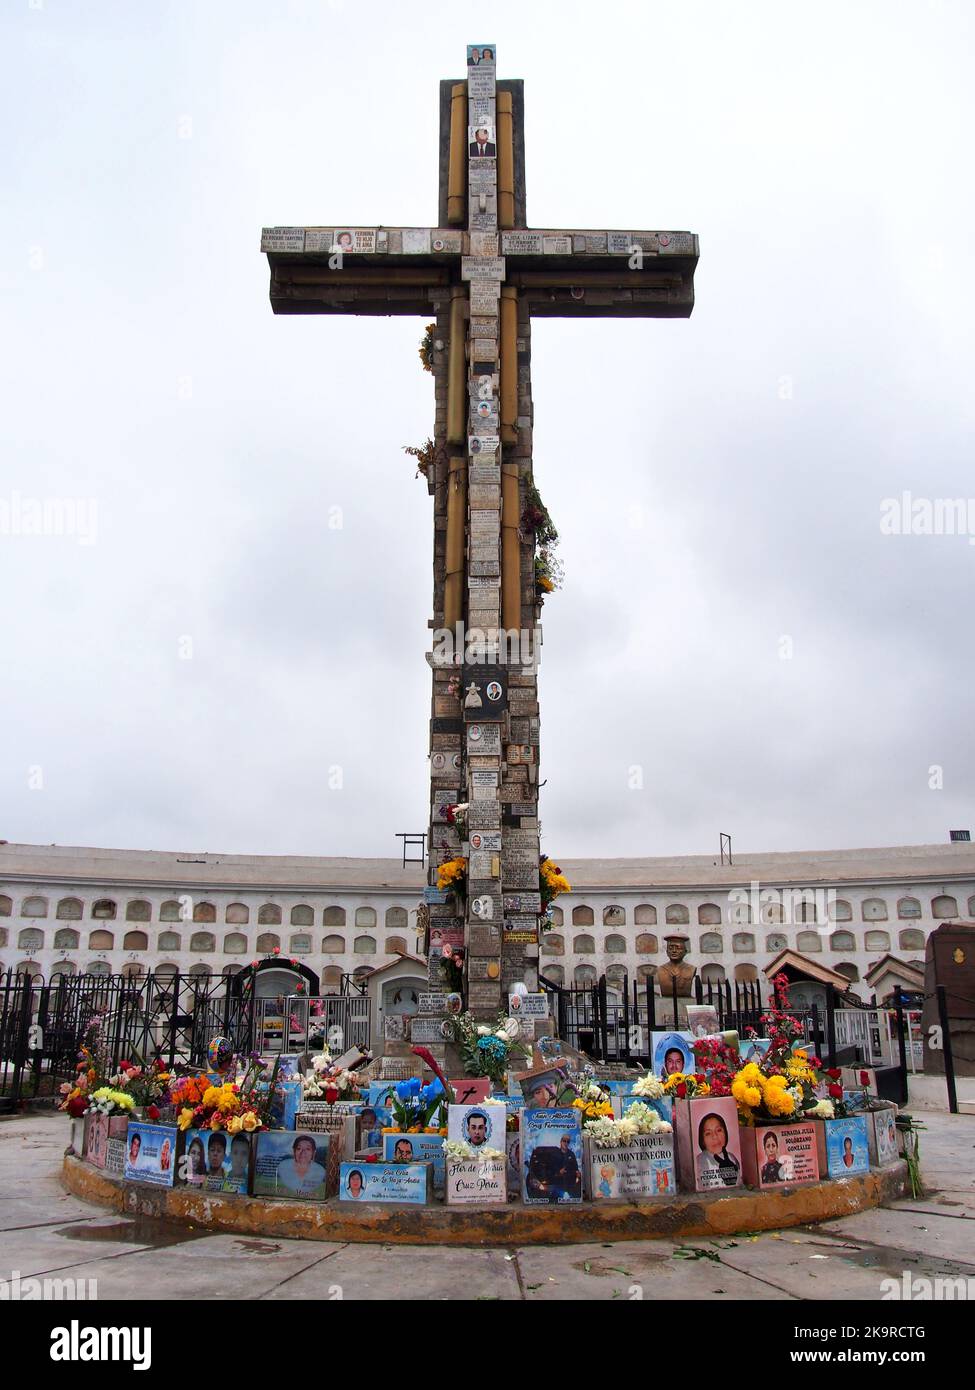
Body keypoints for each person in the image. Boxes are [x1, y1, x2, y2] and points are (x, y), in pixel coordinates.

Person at [696, 1112, 741, 1189]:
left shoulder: (732, 1158)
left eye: (719, 1130)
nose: (715, 1136)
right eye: (708, 1133)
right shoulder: (698, 1161)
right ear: (702, 1140)